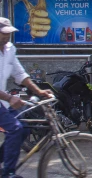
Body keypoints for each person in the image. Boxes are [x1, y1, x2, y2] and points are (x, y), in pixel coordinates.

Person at [0, 18, 52, 178]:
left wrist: (39, 92)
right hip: (4, 100)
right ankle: (8, 173)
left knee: (24, 128)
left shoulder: (9, 49)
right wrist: (10, 98)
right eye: (3, 33)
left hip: (3, 101)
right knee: (15, 128)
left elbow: (20, 74)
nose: (6, 36)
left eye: (9, 33)